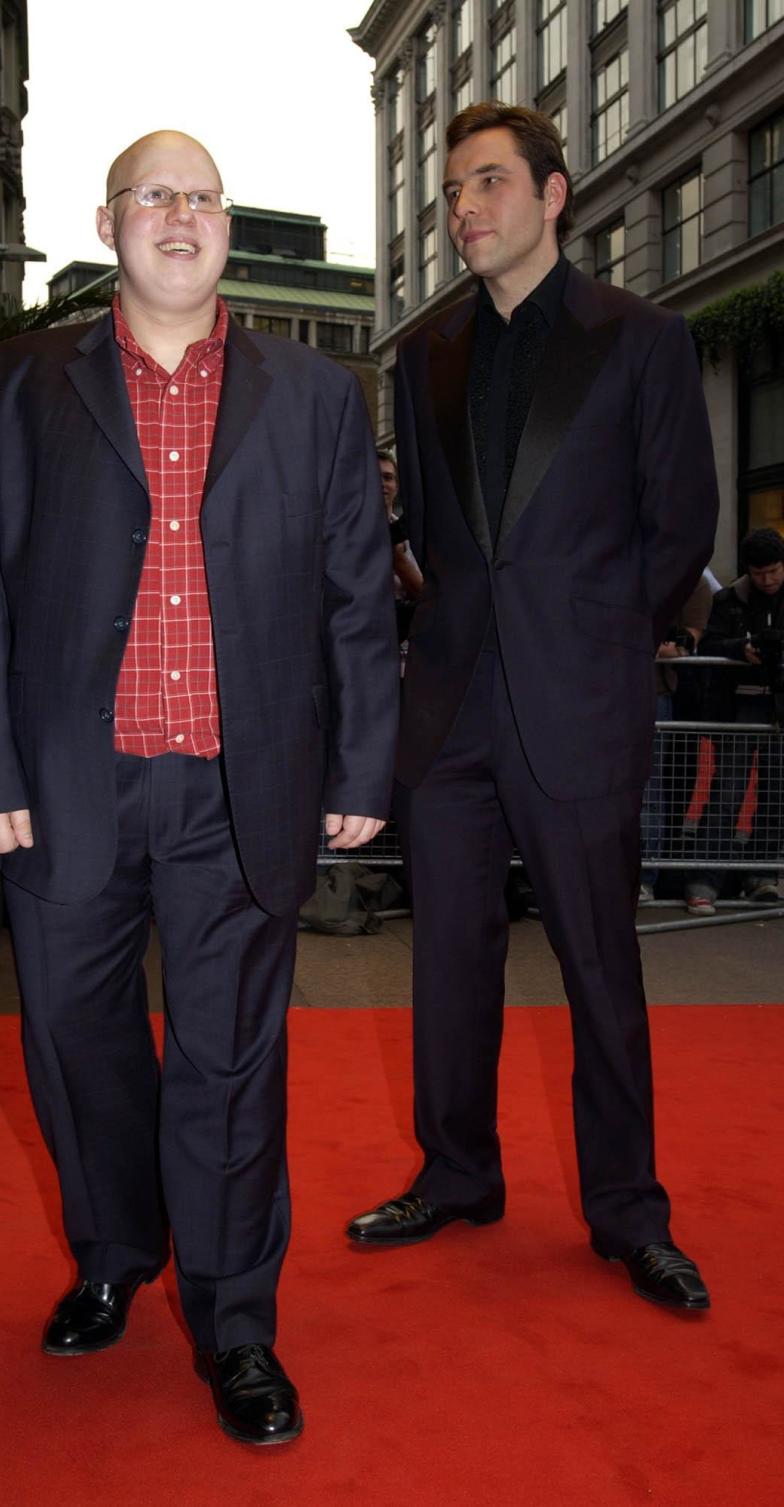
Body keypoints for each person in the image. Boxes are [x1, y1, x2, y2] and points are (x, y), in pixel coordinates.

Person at [0, 130, 397, 1446]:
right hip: (67, 784)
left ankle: (238, 1319)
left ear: (226, 226)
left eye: (201, 197)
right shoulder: (15, 385)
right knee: (78, 1050)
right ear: (109, 221)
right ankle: (112, 1251)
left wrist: (361, 763)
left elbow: (357, 594)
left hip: (238, 789)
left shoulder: (315, 396)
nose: (179, 216)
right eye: (154, 196)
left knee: (231, 1062)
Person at [346, 102, 718, 1312]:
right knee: (446, 963)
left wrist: (603, 644)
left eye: (490, 184)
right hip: (449, 711)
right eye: (454, 190)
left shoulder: (641, 339)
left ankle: (627, 1210)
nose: (465, 210)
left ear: (553, 196)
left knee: (600, 968)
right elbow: (433, 541)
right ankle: (456, 1171)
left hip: (579, 702)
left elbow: (681, 528)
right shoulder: (424, 356)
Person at [685, 528, 784, 916]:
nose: (768, 580)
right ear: (748, 570)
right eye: (760, 573)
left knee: (775, 796)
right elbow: (709, 643)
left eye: (774, 571)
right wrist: (741, 650)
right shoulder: (728, 599)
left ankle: (760, 877)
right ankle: (704, 880)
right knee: (727, 792)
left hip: (777, 708)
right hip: (738, 707)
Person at [639, 575, 713, 901]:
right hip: (610, 690)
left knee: (651, 788)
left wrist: (636, 643)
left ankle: (644, 878)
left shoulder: (693, 583)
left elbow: (684, 643)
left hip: (655, 693)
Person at [378, 449, 423, 645]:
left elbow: (426, 596)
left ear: (396, 485)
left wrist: (396, 558)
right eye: (374, 476)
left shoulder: (411, 537)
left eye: (387, 477)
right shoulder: (341, 534)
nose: (381, 484)